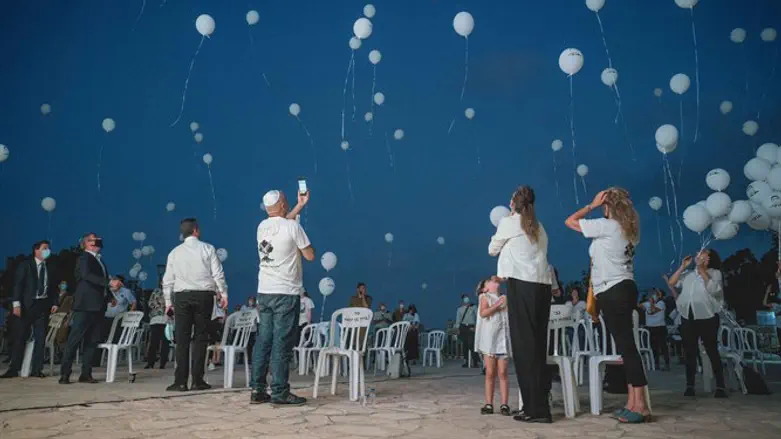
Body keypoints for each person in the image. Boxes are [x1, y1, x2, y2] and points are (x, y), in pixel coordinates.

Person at [565, 187, 650, 423]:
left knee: (627, 348)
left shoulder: (608, 226)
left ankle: (640, 405)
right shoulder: (628, 229)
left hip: (614, 289)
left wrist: (590, 206)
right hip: (622, 287)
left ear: (607, 206)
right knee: (626, 347)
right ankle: (632, 402)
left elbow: (570, 221)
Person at [489, 185, 553, 424]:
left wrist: (506, 241)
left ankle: (534, 409)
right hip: (542, 286)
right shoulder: (539, 226)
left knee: (525, 349)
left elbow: (491, 249)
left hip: (522, 287)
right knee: (537, 347)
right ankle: (539, 405)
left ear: (514, 203)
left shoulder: (510, 222)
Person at [251, 189, 313, 406]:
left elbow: (282, 225)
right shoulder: (293, 227)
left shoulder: (261, 227)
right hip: (286, 292)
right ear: (282, 204)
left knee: (263, 340)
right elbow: (310, 255)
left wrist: (300, 206)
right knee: (282, 343)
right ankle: (279, 391)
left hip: (264, 292)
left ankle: (257, 390)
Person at [162, 218, 228, 392]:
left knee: (182, 339)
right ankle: (198, 380)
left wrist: (168, 303)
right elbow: (217, 274)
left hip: (181, 296)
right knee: (200, 338)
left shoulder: (174, 252)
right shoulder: (207, 248)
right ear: (196, 230)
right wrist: (224, 293)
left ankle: (180, 381)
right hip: (204, 295)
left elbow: (168, 280)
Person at [665, 250, 728, 398]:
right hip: (688, 316)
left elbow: (715, 290)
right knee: (690, 352)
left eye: (703, 254)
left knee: (711, 350)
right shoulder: (689, 274)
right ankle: (690, 385)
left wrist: (701, 270)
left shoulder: (715, 273)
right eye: (698, 253)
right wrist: (682, 267)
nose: (698, 255)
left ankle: (720, 386)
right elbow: (672, 282)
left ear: (709, 258)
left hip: (708, 316)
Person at [1, 240, 58, 379]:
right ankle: (14, 369)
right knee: (20, 337)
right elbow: (18, 285)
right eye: (45, 248)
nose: (47, 251)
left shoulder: (50, 267)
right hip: (26, 306)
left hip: (42, 306)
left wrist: (55, 303)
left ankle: (37, 370)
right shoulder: (25, 265)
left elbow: (53, 287)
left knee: (40, 339)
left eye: (48, 249)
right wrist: (16, 304)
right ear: (36, 250)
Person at [60, 233, 110, 385]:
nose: (95, 242)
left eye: (97, 239)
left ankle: (86, 373)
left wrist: (110, 296)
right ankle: (65, 374)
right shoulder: (84, 258)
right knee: (74, 339)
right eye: (91, 240)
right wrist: (108, 282)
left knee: (92, 341)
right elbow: (87, 275)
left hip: (98, 306)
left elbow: (99, 283)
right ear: (85, 244)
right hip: (85, 305)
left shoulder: (99, 260)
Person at [475, 276, 512, 416]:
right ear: (485, 288)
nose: (493, 281)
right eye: (489, 281)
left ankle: (504, 404)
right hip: (490, 340)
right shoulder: (485, 297)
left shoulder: (504, 297)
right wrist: (497, 306)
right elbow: (483, 313)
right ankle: (489, 403)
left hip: (502, 339)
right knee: (490, 372)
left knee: (503, 372)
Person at [643, 289, 670, 371]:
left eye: (656, 294)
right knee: (653, 347)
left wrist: (651, 303)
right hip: (650, 328)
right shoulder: (647, 304)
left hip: (660, 327)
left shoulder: (661, 303)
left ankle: (667, 364)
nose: (653, 296)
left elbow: (652, 311)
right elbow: (638, 306)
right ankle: (656, 363)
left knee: (663, 346)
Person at [145, 286, 169, 369]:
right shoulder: (156, 291)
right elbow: (150, 303)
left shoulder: (173, 291)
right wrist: (160, 305)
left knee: (165, 342)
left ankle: (163, 363)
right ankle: (150, 362)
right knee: (153, 342)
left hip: (167, 320)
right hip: (155, 319)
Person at [456, 294, 479, 368]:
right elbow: (458, 320)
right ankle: (466, 361)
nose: (466, 299)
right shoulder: (459, 309)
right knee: (465, 345)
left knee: (471, 344)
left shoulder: (474, 307)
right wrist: (457, 329)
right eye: (464, 298)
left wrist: (476, 327)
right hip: (463, 327)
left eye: (467, 298)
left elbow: (478, 317)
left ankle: (475, 361)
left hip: (471, 326)